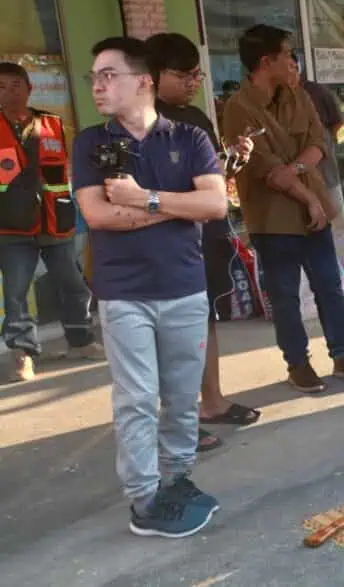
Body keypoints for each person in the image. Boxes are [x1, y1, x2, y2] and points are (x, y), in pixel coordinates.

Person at [72, 37, 226, 537]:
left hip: (184, 287)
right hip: (125, 293)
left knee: (182, 396)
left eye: (108, 75)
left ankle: (176, 479)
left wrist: (146, 200)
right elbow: (97, 215)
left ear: (143, 81)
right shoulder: (91, 143)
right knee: (137, 398)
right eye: (93, 77)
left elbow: (217, 207)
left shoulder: (190, 138)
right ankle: (143, 500)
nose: (97, 85)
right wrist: (176, 208)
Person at [221, 25, 344, 394]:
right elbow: (268, 172)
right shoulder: (238, 109)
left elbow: (319, 142)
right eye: (287, 55)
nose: (292, 61)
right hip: (273, 219)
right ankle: (298, 364)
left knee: (330, 286)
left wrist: (300, 170)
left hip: (314, 212)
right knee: (285, 295)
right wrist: (311, 197)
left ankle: (343, 354)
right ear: (266, 62)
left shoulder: (298, 95)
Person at [143, 33, 261, 453]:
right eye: (183, 73)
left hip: (205, 235)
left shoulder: (195, 116)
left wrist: (234, 159)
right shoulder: (138, 123)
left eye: (197, 73)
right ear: (153, 75)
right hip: (164, 241)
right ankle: (177, 420)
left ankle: (211, 402)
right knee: (169, 332)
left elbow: (212, 179)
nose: (194, 81)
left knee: (202, 320)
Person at [0, 62, 103, 382]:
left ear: (29, 88)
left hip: (55, 219)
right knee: (16, 291)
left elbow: (67, 172)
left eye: (15, 85)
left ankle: (80, 340)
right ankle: (23, 352)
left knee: (72, 284)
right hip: (10, 224)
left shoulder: (52, 123)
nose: (9, 91)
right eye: (1, 86)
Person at [290, 51, 344, 292]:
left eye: (292, 65)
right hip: (294, 176)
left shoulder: (316, 92)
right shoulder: (272, 98)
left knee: (337, 221)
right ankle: (316, 280)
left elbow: (337, 121)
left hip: (324, 169)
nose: (290, 71)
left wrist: (322, 145)